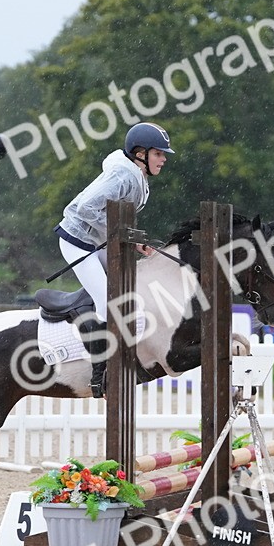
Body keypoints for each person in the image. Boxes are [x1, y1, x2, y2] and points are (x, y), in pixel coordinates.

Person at [54, 122, 173, 398]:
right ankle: (100, 374)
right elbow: (85, 207)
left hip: (97, 242)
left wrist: (134, 241)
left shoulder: (137, 175)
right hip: (77, 242)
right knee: (106, 303)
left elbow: (117, 220)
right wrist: (120, 232)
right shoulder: (123, 175)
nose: (164, 159)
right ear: (140, 153)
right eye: (158, 154)